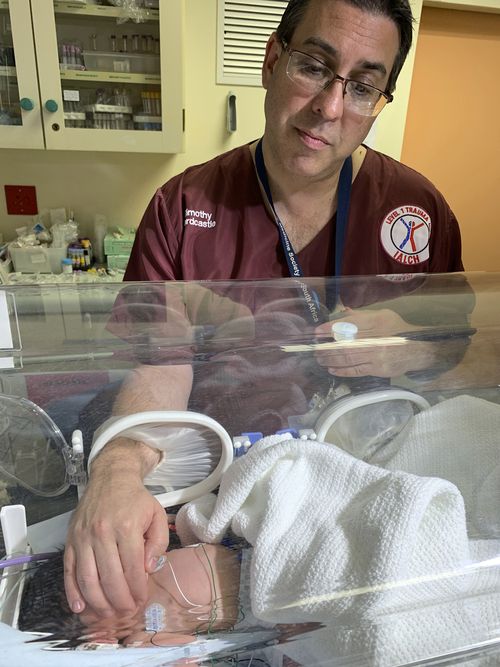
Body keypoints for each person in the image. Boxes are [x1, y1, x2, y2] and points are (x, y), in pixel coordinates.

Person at [64, 0, 467, 621]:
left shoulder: (416, 210)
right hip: (219, 487)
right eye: (314, 66)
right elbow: (161, 363)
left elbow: (465, 348)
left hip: (359, 485)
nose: (330, 108)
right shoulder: (185, 205)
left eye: (362, 87)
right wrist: (118, 468)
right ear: (273, 60)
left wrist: (415, 350)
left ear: (379, 100)